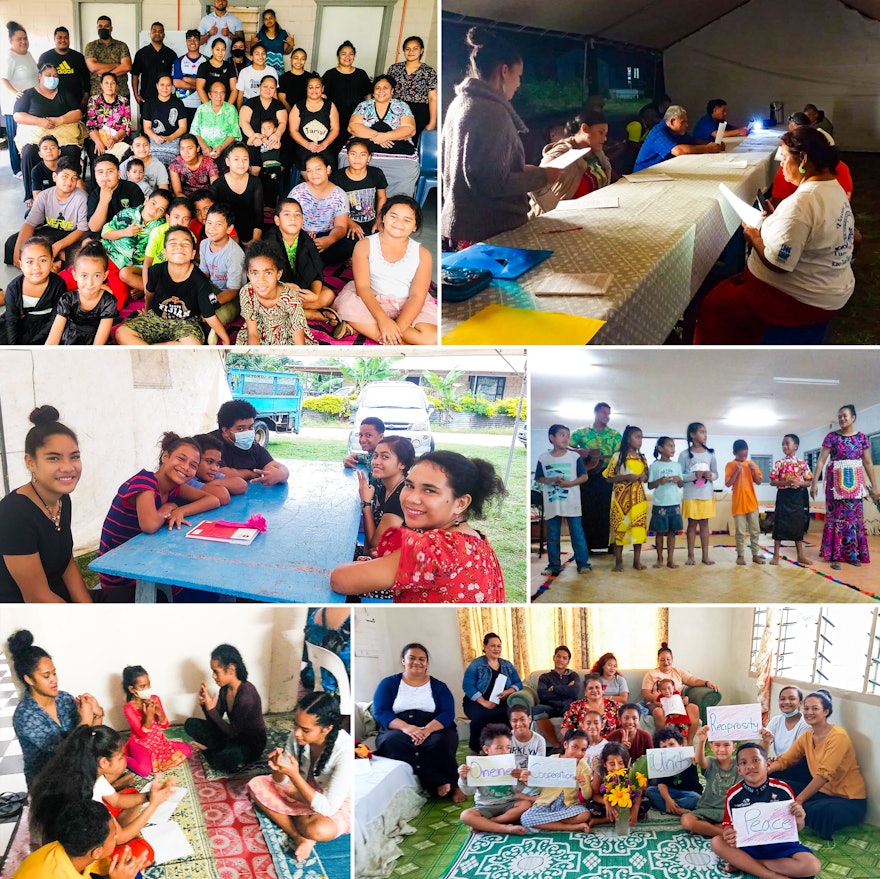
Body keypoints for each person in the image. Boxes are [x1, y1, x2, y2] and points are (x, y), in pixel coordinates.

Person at [695, 127, 856, 344]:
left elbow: (779, 262)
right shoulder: (831, 186)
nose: (780, 163)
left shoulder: (801, 204)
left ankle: (720, 362)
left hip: (799, 299)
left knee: (716, 306)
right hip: (828, 288)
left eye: (784, 156)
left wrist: (753, 237)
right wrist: (774, 220)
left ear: (803, 158)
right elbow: (807, 229)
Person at [330, 451, 506, 602]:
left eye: (429, 490)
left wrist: (376, 562)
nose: (411, 498)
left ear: (461, 503)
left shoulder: (435, 549)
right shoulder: (477, 540)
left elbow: (340, 579)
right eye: (409, 485)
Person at [441, 26, 556, 247]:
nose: (519, 83)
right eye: (518, 75)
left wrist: (521, 170)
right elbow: (491, 183)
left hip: (465, 225)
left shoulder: (461, 103)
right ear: (504, 71)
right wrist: (543, 176)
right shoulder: (491, 112)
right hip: (489, 230)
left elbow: (475, 170)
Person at [96, 431, 220, 600]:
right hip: (118, 572)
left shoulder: (174, 487)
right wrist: (167, 508)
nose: (186, 467)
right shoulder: (145, 481)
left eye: (193, 465)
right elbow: (149, 525)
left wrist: (180, 511)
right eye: (181, 459)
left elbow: (213, 500)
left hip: (144, 557)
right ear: (165, 457)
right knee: (194, 586)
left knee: (205, 580)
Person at [28, 723, 176, 854]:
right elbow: (120, 838)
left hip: (73, 829)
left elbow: (117, 800)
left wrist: (150, 796)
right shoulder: (86, 798)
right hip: (74, 850)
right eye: (121, 757)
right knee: (143, 852)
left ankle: (114, 826)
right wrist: (154, 804)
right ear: (104, 762)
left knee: (132, 794)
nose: (125, 760)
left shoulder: (86, 771)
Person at [0, 405, 88, 603]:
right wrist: (86, 625)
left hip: (59, 600)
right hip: (24, 616)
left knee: (152, 598)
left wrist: (87, 610)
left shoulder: (62, 499)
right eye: (53, 458)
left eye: (74, 456)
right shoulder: (13, 514)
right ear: (30, 462)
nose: (68, 467)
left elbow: (66, 563)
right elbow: (36, 596)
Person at [247, 692, 349, 862]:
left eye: (305, 730)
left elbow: (328, 808)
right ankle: (299, 837)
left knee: (318, 830)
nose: (297, 733)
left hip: (331, 800)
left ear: (327, 728)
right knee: (255, 785)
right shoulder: (297, 737)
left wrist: (294, 776)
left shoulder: (343, 752)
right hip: (301, 791)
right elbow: (281, 782)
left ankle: (297, 818)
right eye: (296, 725)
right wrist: (278, 769)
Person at [333, 195, 437, 344]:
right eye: (393, 216)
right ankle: (397, 342)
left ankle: (380, 335)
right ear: (383, 217)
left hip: (408, 304)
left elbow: (417, 296)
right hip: (373, 300)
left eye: (407, 220)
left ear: (415, 226)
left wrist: (396, 327)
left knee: (431, 338)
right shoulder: (364, 246)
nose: (398, 223)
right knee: (347, 307)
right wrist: (383, 320)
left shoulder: (423, 254)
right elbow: (362, 287)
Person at [8, 630, 104, 787]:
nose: (54, 680)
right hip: (48, 780)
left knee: (113, 760)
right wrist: (86, 720)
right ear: (29, 679)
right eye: (46, 676)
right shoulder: (25, 715)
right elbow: (63, 753)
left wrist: (97, 715)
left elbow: (88, 738)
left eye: (54, 673)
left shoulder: (64, 698)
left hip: (76, 765)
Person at [768, 689, 867, 839]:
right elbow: (785, 760)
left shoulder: (838, 736)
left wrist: (799, 801)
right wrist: (764, 771)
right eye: (806, 708)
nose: (809, 712)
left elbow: (823, 775)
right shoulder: (808, 736)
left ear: (826, 711)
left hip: (849, 800)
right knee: (774, 784)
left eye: (815, 709)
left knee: (816, 811)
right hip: (822, 793)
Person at [712, 743, 821, 878]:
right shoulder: (733, 794)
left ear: (767, 764)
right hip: (749, 847)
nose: (750, 766)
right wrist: (728, 833)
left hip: (781, 846)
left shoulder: (783, 789)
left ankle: (747, 865)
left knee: (812, 865)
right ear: (739, 770)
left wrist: (800, 818)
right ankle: (770, 875)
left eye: (756, 760)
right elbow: (728, 826)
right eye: (743, 762)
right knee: (716, 842)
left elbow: (797, 828)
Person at [373, 643, 461, 800]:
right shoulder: (388, 684)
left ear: (427, 663)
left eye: (422, 659)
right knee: (392, 741)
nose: (417, 662)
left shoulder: (439, 686)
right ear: (403, 660)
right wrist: (406, 728)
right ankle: (432, 782)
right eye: (411, 658)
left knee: (439, 742)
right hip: (399, 727)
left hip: (433, 726)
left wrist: (426, 730)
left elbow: (448, 713)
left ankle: (450, 784)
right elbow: (380, 711)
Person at [116, 224, 228, 345]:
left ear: (192, 253)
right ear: (165, 252)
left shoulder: (200, 280)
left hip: (186, 322)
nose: (179, 247)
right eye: (173, 243)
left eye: (185, 244)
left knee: (192, 345)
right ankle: (167, 349)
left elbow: (209, 314)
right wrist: (147, 310)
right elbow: (149, 293)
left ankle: (151, 349)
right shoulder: (155, 271)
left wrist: (225, 338)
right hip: (157, 317)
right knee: (121, 333)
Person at [810, 404, 877, 569]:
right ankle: (834, 554)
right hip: (834, 485)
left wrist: (874, 486)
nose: (841, 419)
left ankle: (853, 554)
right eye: (839, 416)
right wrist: (813, 483)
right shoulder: (831, 437)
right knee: (836, 518)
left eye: (844, 416)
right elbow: (821, 460)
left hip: (855, 483)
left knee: (854, 518)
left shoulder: (862, 438)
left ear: (853, 417)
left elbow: (868, 462)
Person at [12, 799, 148, 879]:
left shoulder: (71, 848)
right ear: (97, 852)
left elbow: (102, 866)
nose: (116, 837)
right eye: (113, 836)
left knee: (132, 874)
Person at [185, 644, 267, 772]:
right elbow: (215, 721)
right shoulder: (225, 689)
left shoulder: (246, 695)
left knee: (227, 759)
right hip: (231, 737)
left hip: (249, 744)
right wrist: (205, 706)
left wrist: (211, 710)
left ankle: (210, 752)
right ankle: (215, 751)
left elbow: (233, 732)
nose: (213, 676)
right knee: (190, 724)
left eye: (216, 672)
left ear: (231, 670)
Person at [12, 63, 83, 203]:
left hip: (62, 133)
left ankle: (72, 189)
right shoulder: (28, 94)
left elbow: (78, 113)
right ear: (40, 76)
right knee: (28, 152)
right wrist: (40, 121)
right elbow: (17, 115)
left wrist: (59, 120)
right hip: (36, 134)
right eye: (48, 75)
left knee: (72, 150)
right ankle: (30, 194)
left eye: (55, 76)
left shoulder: (65, 93)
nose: (52, 78)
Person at [266, 198, 339, 325]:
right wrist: (283, 286)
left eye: (297, 214)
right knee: (266, 303)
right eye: (287, 214)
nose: (293, 218)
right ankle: (314, 315)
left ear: (302, 220)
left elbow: (316, 272)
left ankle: (291, 312)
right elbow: (260, 278)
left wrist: (315, 295)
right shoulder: (268, 242)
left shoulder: (307, 241)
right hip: (276, 290)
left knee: (328, 295)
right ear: (277, 220)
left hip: (299, 291)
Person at [9, 158, 88, 270]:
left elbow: (81, 229)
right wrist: (17, 253)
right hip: (51, 231)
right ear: (55, 177)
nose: (69, 182)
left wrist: (57, 246)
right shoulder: (44, 196)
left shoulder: (81, 198)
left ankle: (54, 260)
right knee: (12, 243)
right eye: (65, 176)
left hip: (71, 235)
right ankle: (50, 257)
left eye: (74, 178)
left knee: (84, 251)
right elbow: (29, 224)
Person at [530, 110, 613, 215]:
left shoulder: (597, 152)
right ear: (584, 128)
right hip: (562, 219)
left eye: (605, 134)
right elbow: (536, 184)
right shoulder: (560, 154)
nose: (604, 138)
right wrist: (557, 213)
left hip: (590, 214)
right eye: (600, 132)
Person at [534, 423, 591, 576]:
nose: (566, 438)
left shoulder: (574, 457)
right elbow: (539, 478)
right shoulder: (544, 458)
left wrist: (569, 484)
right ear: (551, 438)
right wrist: (552, 479)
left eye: (567, 435)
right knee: (552, 536)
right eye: (562, 435)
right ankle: (553, 565)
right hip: (553, 503)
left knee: (577, 534)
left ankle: (583, 563)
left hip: (572, 502)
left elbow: (584, 476)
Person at [457, 723, 530, 834]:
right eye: (499, 748)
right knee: (465, 815)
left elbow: (517, 791)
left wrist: (520, 779)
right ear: (486, 749)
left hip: (508, 804)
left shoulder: (513, 765)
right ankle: (505, 828)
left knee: (525, 805)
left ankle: (488, 823)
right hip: (484, 806)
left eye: (508, 747)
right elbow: (468, 792)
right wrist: (463, 778)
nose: (505, 751)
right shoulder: (476, 766)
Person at [236, 239, 312, 345]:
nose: (261, 280)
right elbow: (252, 333)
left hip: (287, 334)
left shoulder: (290, 299)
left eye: (268, 273)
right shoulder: (246, 292)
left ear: (278, 274)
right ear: (248, 275)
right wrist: (255, 358)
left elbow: (299, 344)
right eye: (254, 273)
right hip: (260, 328)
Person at [121, 665, 192, 775]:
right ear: (132, 689)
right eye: (143, 686)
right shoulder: (129, 708)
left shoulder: (155, 698)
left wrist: (159, 713)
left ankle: (151, 758)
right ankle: (123, 757)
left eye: (149, 684)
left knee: (187, 750)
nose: (148, 689)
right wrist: (149, 716)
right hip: (140, 743)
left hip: (158, 741)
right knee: (144, 771)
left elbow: (165, 725)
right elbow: (142, 735)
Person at [99, 187, 171, 294]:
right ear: (146, 200)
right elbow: (105, 233)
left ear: (164, 214)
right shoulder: (127, 214)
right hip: (109, 255)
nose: (154, 210)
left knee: (117, 297)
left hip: (133, 267)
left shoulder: (160, 228)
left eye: (160, 209)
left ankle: (150, 291)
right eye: (153, 203)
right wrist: (125, 232)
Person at [642, 643, 717, 744]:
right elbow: (645, 693)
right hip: (657, 703)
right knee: (659, 712)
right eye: (662, 659)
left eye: (668, 659)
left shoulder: (678, 672)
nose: (666, 662)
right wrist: (657, 701)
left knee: (694, 708)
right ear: (658, 660)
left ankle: (689, 743)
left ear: (672, 659)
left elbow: (693, 681)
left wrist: (707, 683)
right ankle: (664, 742)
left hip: (677, 703)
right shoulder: (651, 674)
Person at [571, 403, 621, 553]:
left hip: (607, 477)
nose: (607, 416)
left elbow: (620, 455)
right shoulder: (581, 432)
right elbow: (566, 447)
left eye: (608, 414)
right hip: (587, 476)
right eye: (604, 413)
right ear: (595, 413)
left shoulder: (615, 435)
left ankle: (610, 544)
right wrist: (579, 451)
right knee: (587, 510)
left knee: (607, 509)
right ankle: (588, 546)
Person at [45, 241, 118, 345]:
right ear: (75, 275)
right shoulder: (67, 299)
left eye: (96, 275)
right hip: (70, 339)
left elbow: (98, 345)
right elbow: (53, 339)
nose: (90, 282)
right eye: (84, 275)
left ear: (105, 275)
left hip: (96, 341)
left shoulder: (108, 301)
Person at [520, 729, 591, 832]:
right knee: (525, 818)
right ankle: (570, 827)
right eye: (574, 747)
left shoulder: (583, 767)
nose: (578, 753)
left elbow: (587, 796)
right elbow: (536, 780)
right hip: (545, 804)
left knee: (585, 814)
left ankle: (548, 823)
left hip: (568, 806)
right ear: (566, 744)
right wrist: (527, 778)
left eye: (583, 750)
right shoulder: (552, 759)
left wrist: (584, 784)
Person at [290, 154, 352, 264]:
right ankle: (310, 258)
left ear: (328, 170)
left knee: (350, 242)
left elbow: (341, 226)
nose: (314, 174)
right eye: (309, 170)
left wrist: (329, 240)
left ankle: (307, 258)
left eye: (318, 169)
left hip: (326, 234)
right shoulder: (298, 191)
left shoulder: (339, 194)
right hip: (300, 234)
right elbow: (288, 218)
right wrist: (302, 233)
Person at [210, 399, 291, 484]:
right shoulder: (209, 445)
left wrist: (279, 474)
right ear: (225, 431)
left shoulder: (254, 448)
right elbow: (220, 474)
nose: (247, 432)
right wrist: (249, 474)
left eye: (251, 427)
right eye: (241, 429)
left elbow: (279, 468)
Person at [356, 436, 414, 553]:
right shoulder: (385, 488)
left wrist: (366, 503)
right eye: (376, 455)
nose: (376, 462)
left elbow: (375, 542)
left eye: (385, 457)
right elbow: (371, 544)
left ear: (402, 464)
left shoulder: (400, 497)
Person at [5, 238, 67, 344]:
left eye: (43, 260)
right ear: (21, 265)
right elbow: (12, 320)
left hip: (49, 327)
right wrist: (15, 347)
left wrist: (35, 344)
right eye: (29, 262)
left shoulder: (58, 284)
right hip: (21, 327)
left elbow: (55, 317)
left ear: (52, 261)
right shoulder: (13, 288)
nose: (36, 267)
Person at [604, 425, 649, 572]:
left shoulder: (642, 458)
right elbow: (608, 478)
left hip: (639, 500)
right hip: (620, 500)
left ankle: (637, 561)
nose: (640, 440)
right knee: (620, 529)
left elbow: (647, 477)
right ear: (628, 439)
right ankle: (618, 561)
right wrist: (625, 477)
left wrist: (643, 477)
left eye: (641, 437)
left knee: (638, 529)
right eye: (637, 437)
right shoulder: (617, 456)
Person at [680, 726, 737, 838]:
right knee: (686, 820)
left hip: (729, 812)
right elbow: (699, 760)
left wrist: (765, 741)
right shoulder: (711, 762)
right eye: (717, 745)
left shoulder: (739, 763)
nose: (721, 749)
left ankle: (705, 828)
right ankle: (722, 833)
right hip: (707, 809)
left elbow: (757, 758)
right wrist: (702, 740)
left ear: (734, 747)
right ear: (711, 746)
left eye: (726, 745)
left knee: (742, 824)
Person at [198, 202, 245, 331]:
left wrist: (210, 303)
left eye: (218, 224)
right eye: (209, 223)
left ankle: (213, 330)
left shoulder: (234, 254)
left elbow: (233, 291)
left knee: (212, 317)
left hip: (233, 296)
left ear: (229, 229)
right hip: (212, 288)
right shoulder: (204, 244)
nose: (212, 228)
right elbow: (204, 273)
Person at [633, 104, 724, 171]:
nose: (687, 125)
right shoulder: (659, 132)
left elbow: (694, 141)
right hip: (644, 173)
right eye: (683, 122)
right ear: (672, 122)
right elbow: (678, 150)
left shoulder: (677, 131)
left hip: (662, 170)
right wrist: (708, 148)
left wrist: (714, 145)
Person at [321, 41, 372, 156]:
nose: (347, 57)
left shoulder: (361, 74)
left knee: (353, 149)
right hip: (334, 119)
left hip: (357, 120)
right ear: (338, 56)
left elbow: (368, 98)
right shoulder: (330, 74)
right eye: (344, 53)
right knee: (334, 149)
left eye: (351, 54)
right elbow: (323, 98)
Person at [2, 21, 38, 181]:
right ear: (11, 40)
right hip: (14, 105)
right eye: (19, 39)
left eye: (25, 38)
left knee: (28, 137)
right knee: (15, 136)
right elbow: (3, 78)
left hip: (31, 104)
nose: (24, 41)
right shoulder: (9, 56)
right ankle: (17, 169)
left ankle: (28, 164)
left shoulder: (28, 54)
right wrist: (15, 92)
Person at [678, 422, 718, 566]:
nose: (705, 435)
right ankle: (690, 556)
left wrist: (710, 475)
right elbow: (680, 476)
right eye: (701, 432)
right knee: (691, 525)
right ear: (692, 435)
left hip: (706, 495)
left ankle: (705, 556)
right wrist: (694, 476)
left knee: (705, 525)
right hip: (691, 495)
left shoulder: (710, 454)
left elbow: (716, 474)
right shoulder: (684, 455)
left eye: (705, 432)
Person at [331, 138, 386, 240]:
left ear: (369, 158)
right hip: (345, 221)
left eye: (363, 154)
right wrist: (350, 223)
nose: (357, 158)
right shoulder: (337, 176)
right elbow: (333, 205)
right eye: (353, 154)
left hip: (372, 220)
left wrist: (379, 220)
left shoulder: (376, 173)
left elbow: (382, 197)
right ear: (347, 156)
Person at [211, 141, 264, 245]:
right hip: (226, 234)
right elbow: (214, 216)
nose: (241, 163)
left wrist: (255, 240)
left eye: (245, 159)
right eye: (236, 159)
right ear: (227, 161)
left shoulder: (255, 182)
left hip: (250, 233)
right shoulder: (217, 185)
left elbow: (258, 214)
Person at [386, 36, 437, 142]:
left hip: (418, 113)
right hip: (396, 110)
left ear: (421, 50)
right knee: (392, 141)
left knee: (413, 144)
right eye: (407, 49)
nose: (411, 51)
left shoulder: (429, 72)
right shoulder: (394, 68)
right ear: (403, 51)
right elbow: (387, 91)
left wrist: (432, 122)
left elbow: (433, 98)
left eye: (415, 48)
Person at [725, 439, 766, 566]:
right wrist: (737, 470)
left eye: (745, 455)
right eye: (741, 455)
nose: (743, 458)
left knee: (755, 530)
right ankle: (740, 556)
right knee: (740, 532)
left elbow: (758, 481)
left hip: (752, 503)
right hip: (738, 504)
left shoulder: (750, 464)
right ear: (734, 453)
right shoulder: (730, 465)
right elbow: (728, 483)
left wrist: (753, 470)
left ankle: (755, 555)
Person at [532, 646, 582, 749]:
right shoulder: (544, 677)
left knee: (573, 710)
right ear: (554, 657)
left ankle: (570, 746)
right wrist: (566, 689)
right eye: (558, 657)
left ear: (568, 661)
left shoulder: (573, 676)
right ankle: (556, 745)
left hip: (567, 706)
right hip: (549, 706)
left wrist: (553, 688)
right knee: (537, 709)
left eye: (564, 658)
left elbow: (574, 692)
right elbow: (543, 694)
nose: (561, 660)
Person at [645, 726, 702, 814]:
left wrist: (695, 761)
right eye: (664, 747)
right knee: (650, 791)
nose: (668, 749)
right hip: (668, 792)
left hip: (687, 793)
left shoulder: (689, 758)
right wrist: (668, 800)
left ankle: (671, 808)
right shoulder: (661, 762)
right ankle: (676, 809)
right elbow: (661, 783)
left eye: (671, 744)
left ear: (680, 744)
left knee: (697, 799)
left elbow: (695, 786)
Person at [762, 686, 811, 790]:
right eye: (782, 699)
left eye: (792, 698)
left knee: (763, 779)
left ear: (800, 703)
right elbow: (760, 752)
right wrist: (766, 741)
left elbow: (797, 756)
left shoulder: (805, 725)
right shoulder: (776, 721)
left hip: (797, 770)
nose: (786, 702)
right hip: (781, 765)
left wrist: (773, 764)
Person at [588, 741, 645, 829]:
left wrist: (635, 808)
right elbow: (595, 794)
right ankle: (610, 818)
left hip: (626, 802)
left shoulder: (629, 772)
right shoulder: (599, 772)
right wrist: (607, 803)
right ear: (604, 763)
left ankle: (608, 818)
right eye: (612, 764)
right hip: (607, 802)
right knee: (591, 807)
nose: (617, 768)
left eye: (620, 763)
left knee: (645, 804)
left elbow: (638, 792)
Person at [288, 74, 339, 171]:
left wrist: (324, 144)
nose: (314, 90)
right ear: (306, 89)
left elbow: (335, 129)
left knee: (328, 165)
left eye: (317, 87)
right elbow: (293, 130)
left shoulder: (330, 106)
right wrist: (307, 144)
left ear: (322, 88)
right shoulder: (298, 106)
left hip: (325, 146)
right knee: (306, 165)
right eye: (311, 87)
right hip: (304, 146)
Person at [239, 74, 287, 175]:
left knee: (276, 165)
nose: (268, 90)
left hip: (273, 142)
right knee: (254, 168)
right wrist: (254, 137)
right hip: (254, 141)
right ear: (260, 86)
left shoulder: (278, 105)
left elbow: (283, 122)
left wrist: (277, 134)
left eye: (272, 87)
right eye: (265, 86)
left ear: (275, 89)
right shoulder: (250, 103)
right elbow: (244, 122)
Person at [647, 436, 684, 568]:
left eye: (673, 446)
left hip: (674, 503)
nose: (672, 449)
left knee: (672, 532)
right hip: (660, 504)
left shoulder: (676, 465)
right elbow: (650, 485)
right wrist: (659, 481)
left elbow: (681, 485)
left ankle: (670, 559)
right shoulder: (654, 466)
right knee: (659, 532)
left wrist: (678, 479)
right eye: (669, 446)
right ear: (660, 448)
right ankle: (659, 559)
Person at [142, 196, 195, 286]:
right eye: (176, 217)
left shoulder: (191, 238)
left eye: (185, 219)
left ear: (190, 222)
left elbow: (187, 266)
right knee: (125, 274)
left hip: (176, 276)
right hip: (155, 273)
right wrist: (147, 289)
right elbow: (147, 263)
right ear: (168, 218)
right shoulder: (157, 233)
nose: (180, 222)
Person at [84, 72, 132, 171]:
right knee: (96, 152)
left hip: (118, 137)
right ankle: (97, 185)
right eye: (106, 83)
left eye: (112, 83)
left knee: (129, 152)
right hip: (98, 137)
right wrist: (98, 142)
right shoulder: (94, 100)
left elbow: (126, 125)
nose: (109, 86)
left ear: (117, 85)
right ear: (101, 85)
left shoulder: (123, 101)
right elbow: (91, 125)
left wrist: (114, 139)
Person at [37, 27, 89, 112]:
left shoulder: (78, 57)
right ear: (54, 39)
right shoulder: (45, 57)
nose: (63, 40)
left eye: (66, 37)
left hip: (76, 101)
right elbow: (40, 80)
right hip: (52, 101)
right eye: (59, 37)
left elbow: (86, 79)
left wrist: (85, 98)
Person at [189, 433, 249, 505]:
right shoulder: (188, 479)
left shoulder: (207, 475)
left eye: (218, 464)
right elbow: (223, 497)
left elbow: (242, 485)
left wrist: (212, 483)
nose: (215, 469)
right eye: (209, 461)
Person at [141, 74, 187, 166]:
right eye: (162, 85)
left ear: (172, 86)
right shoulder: (149, 103)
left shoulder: (178, 103)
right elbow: (147, 128)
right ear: (157, 86)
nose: (165, 88)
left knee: (174, 162)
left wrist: (170, 138)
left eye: (168, 85)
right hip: (154, 139)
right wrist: (156, 138)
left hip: (173, 139)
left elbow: (183, 127)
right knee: (152, 162)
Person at [192, 80, 240, 168]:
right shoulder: (202, 109)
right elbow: (195, 131)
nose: (219, 96)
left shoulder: (230, 109)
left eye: (222, 93)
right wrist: (204, 146)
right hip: (204, 150)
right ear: (209, 95)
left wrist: (221, 147)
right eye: (215, 93)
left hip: (225, 149)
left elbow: (234, 133)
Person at [84, 16, 132, 99]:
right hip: (98, 94)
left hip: (121, 94)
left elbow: (127, 66)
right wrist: (117, 65)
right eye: (100, 26)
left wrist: (104, 75)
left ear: (111, 28)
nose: (103, 28)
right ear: (97, 28)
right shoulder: (91, 46)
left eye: (106, 26)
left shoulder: (121, 46)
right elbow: (93, 67)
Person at [131, 23, 176, 108]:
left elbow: (176, 77)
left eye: (160, 31)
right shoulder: (141, 53)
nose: (157, 33)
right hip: (146, 97)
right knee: (146, 121)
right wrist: (136, 94)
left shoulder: (171, 54)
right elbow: (135, 75)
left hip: (166, 98)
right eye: (154, 31)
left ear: (164, 35)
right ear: (150, 34)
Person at [172, 30, 207, 127]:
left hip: (202, 105)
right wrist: (200, 85)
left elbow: (208, 83)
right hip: (183, 105)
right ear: (186, 42)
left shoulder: (207, 60)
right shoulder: (179, 61)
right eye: (189, 40)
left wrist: (186, 79)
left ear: (200, 41)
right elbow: (177, 83)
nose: (192, 42)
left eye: (195, 39)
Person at [196, 38, 239, 106]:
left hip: (226, 106)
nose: (220, 53)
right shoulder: (204, 66)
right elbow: (200, 88)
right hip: (208, 107)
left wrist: (227, 107)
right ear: (212, 50)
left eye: (223, 50)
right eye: (217, 49)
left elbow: (234, 89)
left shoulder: (229, 66)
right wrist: (209, 108)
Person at [235, 43, 278, 107]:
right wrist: (239, 113)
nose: (261, 57)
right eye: (257, 54)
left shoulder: (272, 71)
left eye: (263, 53)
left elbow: (274, 94)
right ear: (252, 57)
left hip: (267, 103)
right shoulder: (244, 72)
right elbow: (240, 95)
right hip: (249, 102)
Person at [256, 9, 294, 77]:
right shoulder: (261, 34)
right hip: (264, 67)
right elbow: (254, 51)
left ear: (275, 18)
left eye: (270, 18)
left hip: (278, 68)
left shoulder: (283, 33)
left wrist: (291, 45)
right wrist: (252, 43)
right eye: (266, 19)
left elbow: (286, 51)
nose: (268, 21)